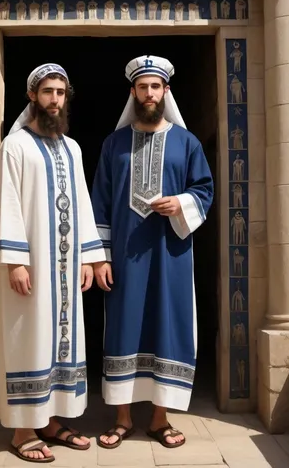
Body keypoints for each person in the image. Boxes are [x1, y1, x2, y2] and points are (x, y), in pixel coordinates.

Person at [91, 55, 214, 450]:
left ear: (166, 91)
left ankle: (160, 419)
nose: (149, 93)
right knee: (124, 327)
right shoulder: (114, 144)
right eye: (142, 87)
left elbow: (205, 191)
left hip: (171, 256)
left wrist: (180, 204)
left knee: (168, 326)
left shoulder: (187, 142)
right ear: (133, 92)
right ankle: (123, 418)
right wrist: (101, 256)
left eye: (155, 86)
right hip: (126, 257)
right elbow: (101, 202)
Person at [0, 63, 106, 463]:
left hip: (68, 271)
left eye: (60, 93)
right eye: (47, 92)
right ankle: (23, 431)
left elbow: (84, 204)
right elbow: (8, 205)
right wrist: (16, 262)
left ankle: (51, 422)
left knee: (61, 342)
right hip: (30, 267)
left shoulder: (72, 148)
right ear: (32, 97)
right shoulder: (15, 145)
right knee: (28, 340)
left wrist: (90, 256)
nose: (54, 99)